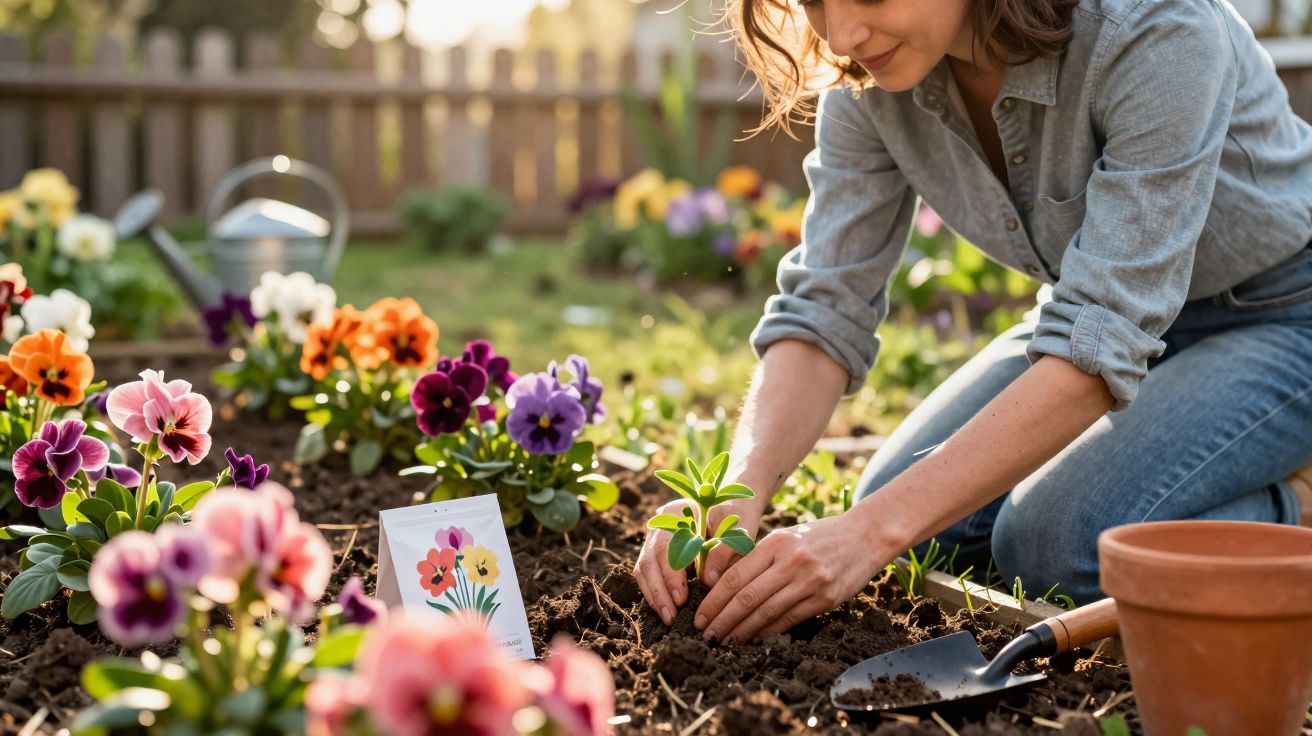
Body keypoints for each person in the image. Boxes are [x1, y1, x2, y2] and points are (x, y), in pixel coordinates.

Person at [633, 0, 1312, 644]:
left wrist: (864, 535)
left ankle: (1297, 504)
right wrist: (738, 485)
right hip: (1115, 324)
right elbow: (825, 303)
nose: (840, 37)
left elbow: (1104, 332)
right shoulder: (870, 79)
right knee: (911, 518)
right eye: (814, 3)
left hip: (1283, 314)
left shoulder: (1154, 27)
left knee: (1056, 542)